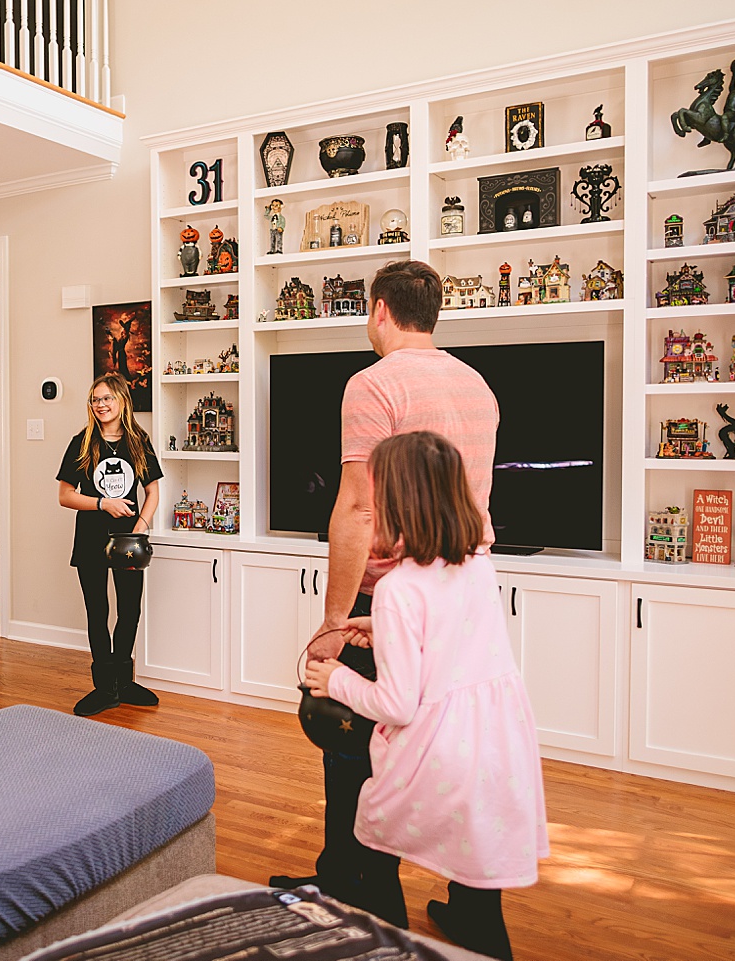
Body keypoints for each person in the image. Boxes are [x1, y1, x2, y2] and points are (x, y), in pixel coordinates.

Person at [270, 260, 499, 905]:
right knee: (456, 746)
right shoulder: (478, 385)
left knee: (355, 742)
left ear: (378, 310)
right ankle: (475, 910)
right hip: (466, 590)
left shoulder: (372, 384)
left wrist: (333, 623)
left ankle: (363, 892)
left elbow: (358, 507)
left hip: (392, 593)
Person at [305, 431, 547, 959]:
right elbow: (450, 640)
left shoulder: (396, 588)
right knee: (478, 849)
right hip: (494, 743)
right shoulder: (480, 566)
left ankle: (390, 938)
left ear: (396, 504)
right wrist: (387, 629)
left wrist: (336, 680)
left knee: (373, 834)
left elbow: (396, 704)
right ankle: (479, 931)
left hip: (433, 749)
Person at [56, 372, 162, 716]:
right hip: (90, 538)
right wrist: (103, 503)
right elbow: (65, 496)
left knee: (130, 609)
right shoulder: (82, 442)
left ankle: (124, 682)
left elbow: (153, 491)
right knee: (98, 611)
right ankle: (104, 688)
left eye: (107, 399)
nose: (100, 405)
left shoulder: (138, 442)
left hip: (128, 541)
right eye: (95, 399)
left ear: (121, 402)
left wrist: (140, 527)